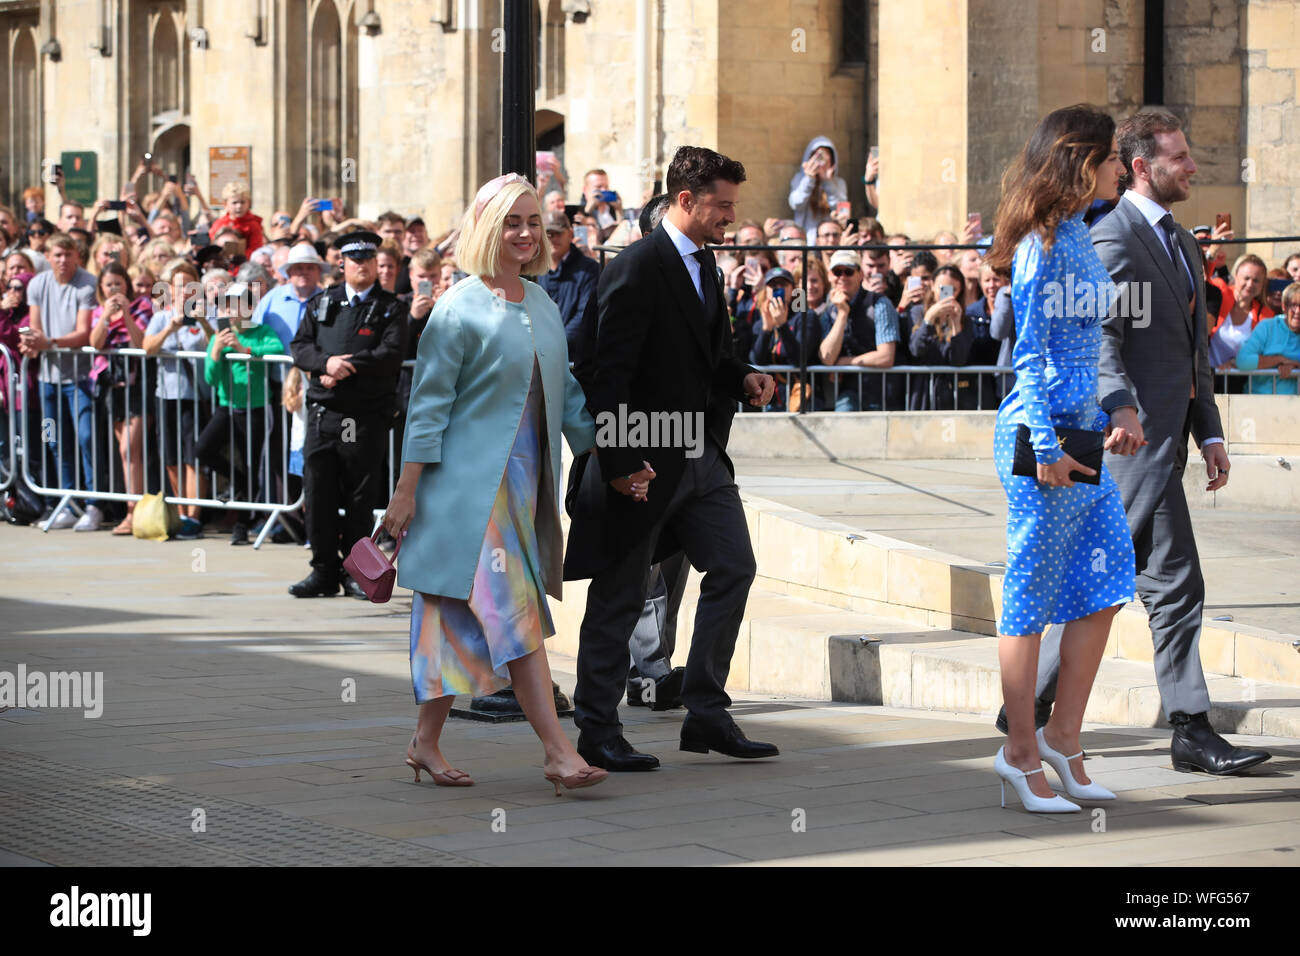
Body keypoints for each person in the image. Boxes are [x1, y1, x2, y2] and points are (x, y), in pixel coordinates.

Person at [1007, 108, 1271, 778]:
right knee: (1109, 581)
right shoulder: (1106, 237)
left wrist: (1208, 428)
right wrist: (1119, 408)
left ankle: (1166, 725)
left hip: (1159, 443)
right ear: (1144, 165)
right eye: (1180, 158)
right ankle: (1037, 717)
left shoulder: (1182, 241)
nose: (1193, 168)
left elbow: (1194, 352)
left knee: (1161, 582)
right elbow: (1095, 343)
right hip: (1116, 445)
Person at [380, 173, 606, 795]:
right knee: (515, 611)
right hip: (467, 494)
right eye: (513, 222)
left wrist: (615, 458)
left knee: (455, 617)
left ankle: (424, 743)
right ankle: (558, 753)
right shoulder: (456, 308)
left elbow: (568, 399)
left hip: (523, 486)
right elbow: (426, 409)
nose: (527, 234)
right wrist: (405, 492)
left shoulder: (543, 304)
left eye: (534, 221)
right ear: (486, 228)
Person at [565, 145, 778, 772]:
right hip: (646, 465)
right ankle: (597, 729)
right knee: (620, 594)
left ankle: (706, 710)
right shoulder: (636, 267)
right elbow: (606, 374)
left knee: (734, 567)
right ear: (685, 200)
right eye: (721, 206)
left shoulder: (703, 265)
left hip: (701, 457)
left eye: (733, 207)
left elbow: (704, 357)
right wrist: (621, 461)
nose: (730, 218)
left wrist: (743, 376)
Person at [983, 103, 1138, 813]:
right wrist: (1045, 449)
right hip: (1043, 437)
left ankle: (1063, 738)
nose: (1122, 169)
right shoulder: (1041, 244)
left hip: (1080, 434)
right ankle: (1019, 752)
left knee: (1107, 583)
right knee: (1028, 598)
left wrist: (1103, 413)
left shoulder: (1078, 231)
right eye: (1112, 158)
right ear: (1082, 161)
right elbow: (1030, 357)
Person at [289, 231, 406, 596]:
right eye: (355, 260)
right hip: (324, 413)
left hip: (360, 416)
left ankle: (355, 571)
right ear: (342, 264)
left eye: (369, 260)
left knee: (358, 496)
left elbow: (389, 354)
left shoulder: (391, 307)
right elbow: (300, 346)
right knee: (318, 492)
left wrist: (344, 366)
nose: (363, 266)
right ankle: (323, 570)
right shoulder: (323, 302)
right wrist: (325, 362)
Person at [19, 233, 99, 530]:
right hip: (47, 381)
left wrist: (48, 342)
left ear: (76, 256)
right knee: (52, 439)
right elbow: (34, 327)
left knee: (85, 436)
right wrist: (34, 341)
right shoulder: (38, 284)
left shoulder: (87, 282)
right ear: (49, 256)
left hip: (79, 379)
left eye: (68, 254)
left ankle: (93, 503)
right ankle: (64, 501)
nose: (63, 260)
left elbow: (82, 333)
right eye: (57, 255)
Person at [197, 281, 284, 545]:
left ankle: (242, 524)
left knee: (251, 461)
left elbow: (277, 350)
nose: (231, 310)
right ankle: (239, 480)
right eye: (226, 305)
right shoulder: (217, 335)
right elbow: (210, 379)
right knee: (203, 449)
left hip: (255, 408)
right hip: (228, 406)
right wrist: (214, 353)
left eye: (237, 304)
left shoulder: (259, 331)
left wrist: (244, 350)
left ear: (249, 307)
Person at [142, 258, 212, 538]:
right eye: (178, 286)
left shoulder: (207, 312)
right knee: (171, 457)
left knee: (193, 458)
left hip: (195, 395)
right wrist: (170, 328)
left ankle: (194, 515)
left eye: (189, 285)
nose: (184, 291)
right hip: (166, 394)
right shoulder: (160, 316)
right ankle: (181, 512)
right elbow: (147, 347)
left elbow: (217, 344)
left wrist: (204, 320)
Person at [86, 261, 152, 534]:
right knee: (125, 454)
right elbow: (94, 343)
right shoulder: (98, 311)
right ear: (101, 288)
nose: (114, 289)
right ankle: (131, 509)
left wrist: (125, 315)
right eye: (109, 285)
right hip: (112, 386)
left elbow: (141, 342)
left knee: (129, 450)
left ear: (127, 284)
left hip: (137, 386)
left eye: (119, 284)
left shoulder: (142, 307)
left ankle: (133, 512)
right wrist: (105, 317)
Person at [817, 248, 900, 410]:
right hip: (849, 393)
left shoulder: (880, 303)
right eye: (837, 272)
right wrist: (842, 314)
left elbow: (885, 356)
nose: (842, 277)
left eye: (848, 271)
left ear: (860, 274)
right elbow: (827, 358)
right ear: (829, 276)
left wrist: (844, 363)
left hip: (883, 393)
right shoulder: (830, 308)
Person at [749, 266, 824, 412]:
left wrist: (782, 325)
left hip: (804, 401)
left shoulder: (806, 317)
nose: (778, 288)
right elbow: (756, 360)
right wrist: (766, 329)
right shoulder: (761, 320)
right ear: (766, 290)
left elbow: (800, 359)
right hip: (771, 401)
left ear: (793, 289)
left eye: (783, 284)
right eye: (773, 285)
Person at [906, 263, 973, 410]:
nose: (947, 294)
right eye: (942, 289)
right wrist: (929, 319)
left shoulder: (965, 320)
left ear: (960, 291)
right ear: (932, 285)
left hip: (951, 394)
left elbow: (959, 360)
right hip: (922, 393)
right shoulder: (917, 312)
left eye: (953, 290)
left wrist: (956, 323)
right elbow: (916, 349)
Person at [537, 210, 600, 353]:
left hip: (573, 355)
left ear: (570, 234)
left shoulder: (589, 269)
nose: (552, 238)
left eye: (558, 233)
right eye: (548, 234)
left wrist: (555, 344)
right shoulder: (535, 269)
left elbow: (584, 316)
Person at [1208, 254, 1272, 391]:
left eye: (1256, 280)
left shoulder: (1266, 315)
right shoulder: (1220, 295)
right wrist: (1211, 254)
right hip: (1207, 379)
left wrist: (1235, 362)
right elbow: (1204, 279)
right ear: (1236, 276)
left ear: (1262, 285)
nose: (1250, 284)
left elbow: (1267, 351)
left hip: (1241, 384)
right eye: (1246, 278)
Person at [1234, 281, 1300, 394]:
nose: (1298, 311)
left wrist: (1296, 366)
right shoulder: (1268, 327)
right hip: (1258, 402)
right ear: (1284, 307)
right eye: (1293, 305)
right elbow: (1243, 360)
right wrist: (1280, 360)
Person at [789, 137, 849, 242]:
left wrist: (828, 182)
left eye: (824, 158)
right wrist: (809, 179)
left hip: (830, 240)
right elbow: (796, 204)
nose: (820, 162)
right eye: (817, 157)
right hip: (806, 238)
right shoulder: (800, 179)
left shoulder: (839, 183)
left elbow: (842, 210)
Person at [209, 182, 264, 254]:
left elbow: (256, 250)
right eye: (234, 203)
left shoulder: (253, 225)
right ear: (225, 204)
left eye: (242, 202)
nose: (239, 206)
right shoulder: (219, 223)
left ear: (249, 203)